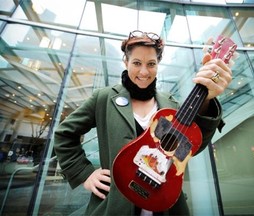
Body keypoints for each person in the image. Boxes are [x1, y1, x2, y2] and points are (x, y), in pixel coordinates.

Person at [53, 30, 233, 215]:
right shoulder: (104, 98)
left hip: (166, 204)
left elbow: (189, 148)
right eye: (137, 63)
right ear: (126, 62)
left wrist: (206, 100)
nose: (144, 71)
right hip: (114, 205)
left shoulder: (170, 104)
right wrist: (84, 173)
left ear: (158, 64)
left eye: (151, 64)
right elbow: (64, 134)